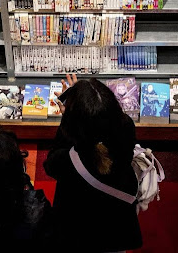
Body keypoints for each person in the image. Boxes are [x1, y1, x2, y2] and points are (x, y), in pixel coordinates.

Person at [44, 75, 142, 253]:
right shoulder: (125, 127)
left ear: (73, 124)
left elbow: (50, 166)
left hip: (77, 232)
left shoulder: (69, 157)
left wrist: (67, 119)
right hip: (116, 228)